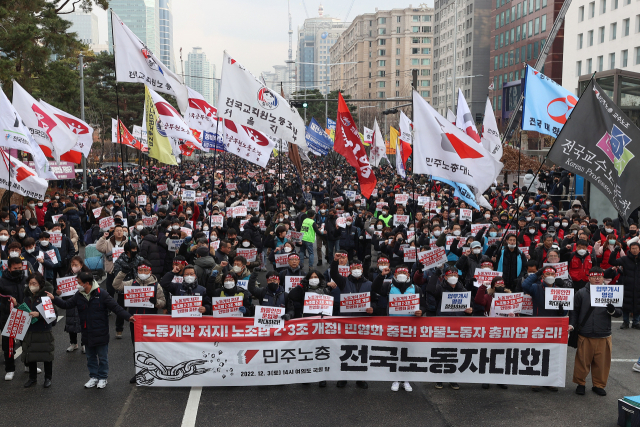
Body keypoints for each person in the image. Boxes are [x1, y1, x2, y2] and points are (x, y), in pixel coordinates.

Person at [46, 271, 136, 389]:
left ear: (86, 283)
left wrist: (128, 317)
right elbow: (66, 304)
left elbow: (116, 307)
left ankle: (103, 378)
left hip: (101, 332)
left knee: (102, 357)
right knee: (90, 357)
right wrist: (54, 298)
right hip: (86, 332)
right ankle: (93, 377)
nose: (77, 285)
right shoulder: (79, 295)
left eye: (78, 283)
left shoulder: (102, 294)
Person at [570, 267, 622, 396]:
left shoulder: (612, 292)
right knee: (582, 361)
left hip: (604, 333)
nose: (597, 278)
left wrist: (612, 310)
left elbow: (619, 312)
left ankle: (598, 385)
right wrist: (572, 324)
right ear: (589, 278)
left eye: (600, 276)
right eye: (594, 276)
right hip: (585, 333)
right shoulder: (581, 293)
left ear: (603, 278)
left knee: (602, 363)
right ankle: (580, 383)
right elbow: (574, 311)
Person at [113, 259, 166, 384]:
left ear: (150, 271)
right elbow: (116, 286)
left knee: (151, 348)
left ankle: (153, 372)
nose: (143, 272)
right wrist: (122, 273)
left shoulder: (156, 285)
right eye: (141, 270)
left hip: (150, 322)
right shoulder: (132, 283)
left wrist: (156, 302)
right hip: (135, 321)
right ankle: (139, 372)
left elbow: (163, 302)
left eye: (145, 270)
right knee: (137, 348)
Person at [21, 272, 55, 388]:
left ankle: (48, 378)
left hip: (44, 330)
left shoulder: (46, 296)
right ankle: (32, 378)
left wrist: (39, 315)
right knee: (31, 355)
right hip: (30, 330)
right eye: (30, 283)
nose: (32, 285)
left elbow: (52, 315)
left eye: (34, 283)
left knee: (46, 355)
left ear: (40, 284)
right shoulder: (26, 296)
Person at [0, 257, 28, 380]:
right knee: (8, 344)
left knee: (26, 342)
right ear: (9, 268)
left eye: (19, 268)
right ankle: (10, 369)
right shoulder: (2, 281)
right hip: (7, 315)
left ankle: (29, 365)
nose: (18, 270)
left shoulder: (26, 279)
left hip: (23, 314)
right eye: (15, 268)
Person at [57, 256, 88, 353]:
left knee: (83, 323)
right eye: (72, 264)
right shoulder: (67, 277)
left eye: (76, 265)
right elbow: (64, 293)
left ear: (81, 265)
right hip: (71, 303)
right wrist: (60, 293)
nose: (74, 266)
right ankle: (73, 343)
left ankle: (84, 344)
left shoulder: (86, 276)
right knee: (71, 324)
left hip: (83, 303)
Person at [608, 242, 640, 329]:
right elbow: (612, 261)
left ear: (639, 249)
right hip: (627, 285)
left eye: (636, 248)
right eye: (632, 248)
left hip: (638, 285)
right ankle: (625, 322)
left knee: (638, 304)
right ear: (629, 249)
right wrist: (615, 251)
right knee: (626, 304)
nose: (634, 250)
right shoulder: (625, 259)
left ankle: (636, 322)